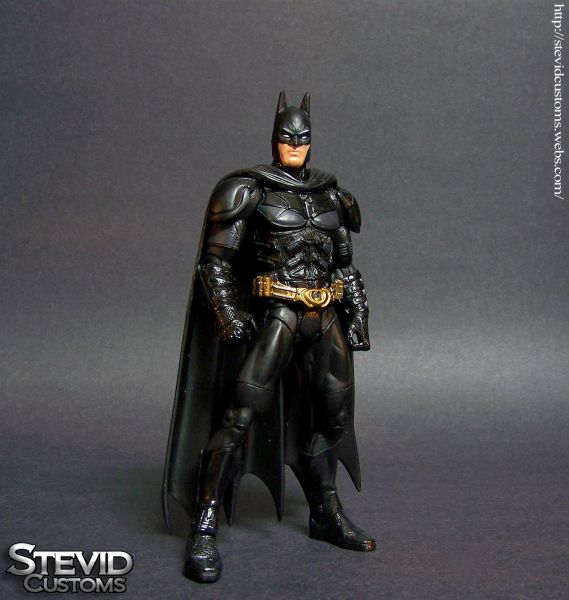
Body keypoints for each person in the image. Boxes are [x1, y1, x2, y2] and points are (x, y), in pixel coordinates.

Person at [163, 91, 375, 584]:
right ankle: (205, 523)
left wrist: (359, 317)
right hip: (279, 314)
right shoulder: (248, 191)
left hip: (325, 317)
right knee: (238, 416)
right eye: (287, 136)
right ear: (274, 139)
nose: (295, 144)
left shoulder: (332, 196)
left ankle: (324, 512)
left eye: (303, 137)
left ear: (312, 140)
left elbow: (346, 268)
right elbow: (216, 263)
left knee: (333, 416)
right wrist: (229, 315)